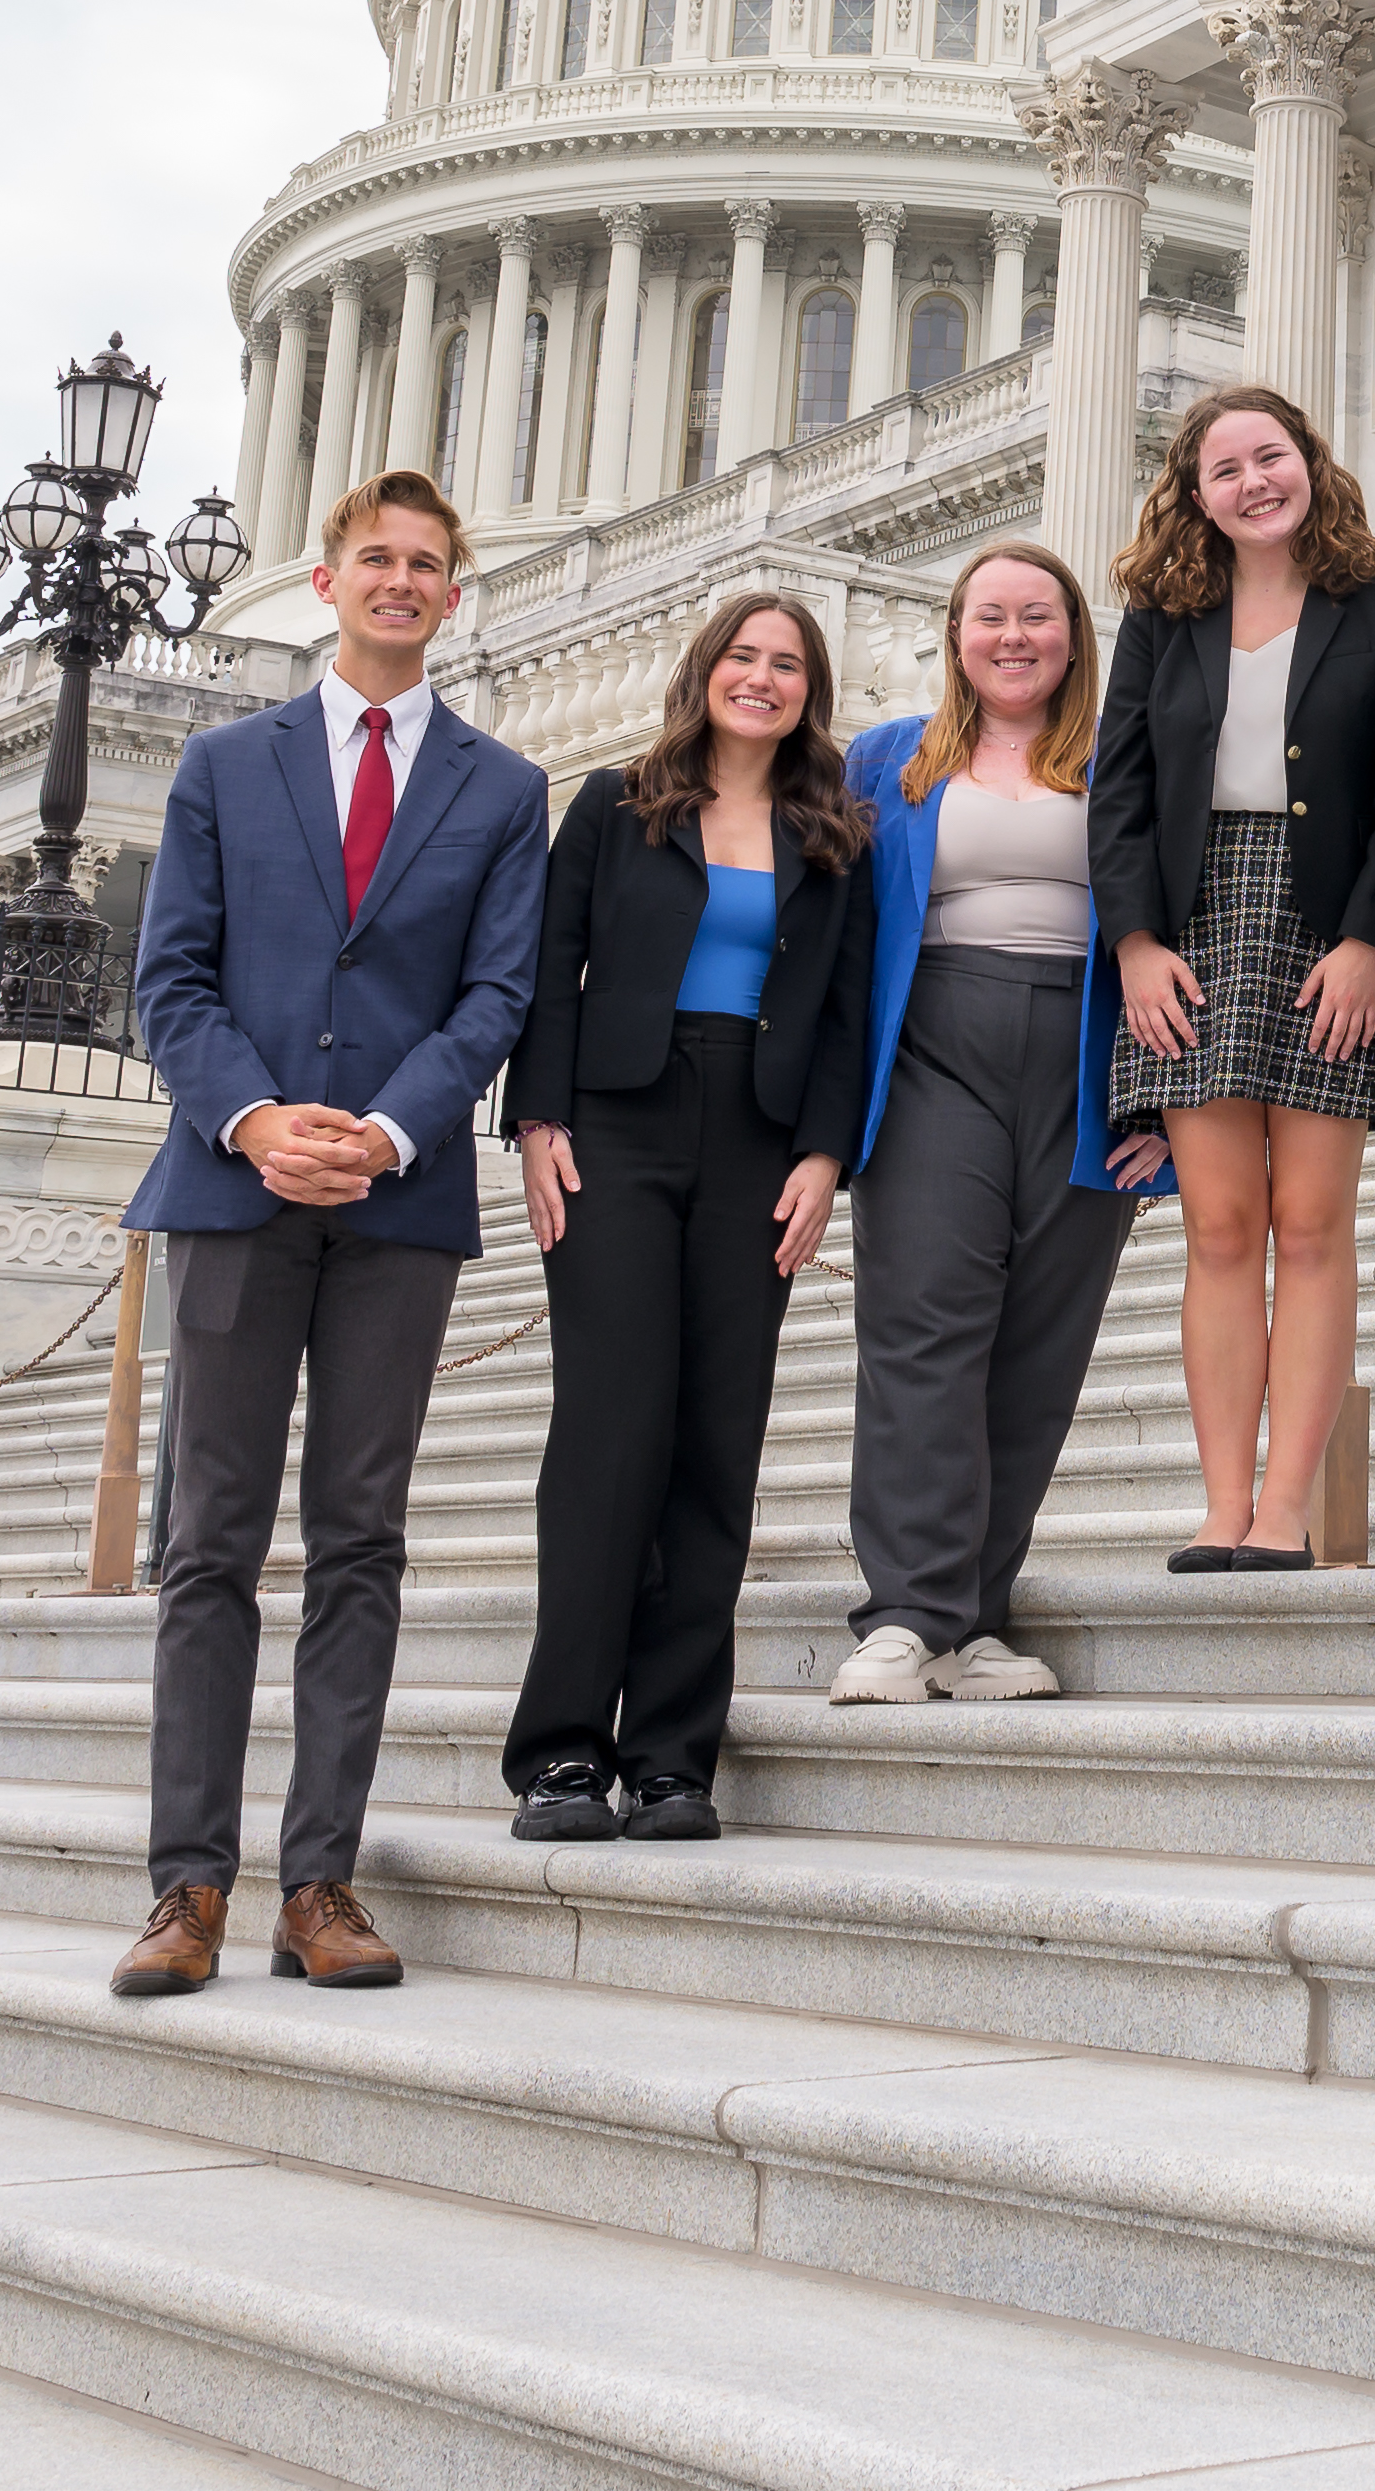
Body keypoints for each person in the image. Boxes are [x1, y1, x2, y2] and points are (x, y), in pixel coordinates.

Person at [112, 469, 547, 1995]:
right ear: (326, 577)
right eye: (380, 558)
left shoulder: (502, 790)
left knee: (360, 1542)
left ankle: (321, 1886)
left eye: (429, 563)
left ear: (452, 590)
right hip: (233, 1191)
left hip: (399, 1201)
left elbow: (497, 996)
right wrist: (256, 1120)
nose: (403, 582)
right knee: (206, 1547)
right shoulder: (228, 766)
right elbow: (173, 979)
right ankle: (185, 1892)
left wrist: (386, 1131)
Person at [499, 588, 871, 1841]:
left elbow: (845, 1014)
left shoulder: (836, 833)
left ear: (811, 692)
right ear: (704, 668)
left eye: (787, 664)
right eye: (743, 656)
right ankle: (561, 1752)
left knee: (718, 1444)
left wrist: (826, 1153)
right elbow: (551, 965)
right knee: (610, 1437)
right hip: (617, 1127)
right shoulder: (615, 804)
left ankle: (671, 1757)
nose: (761, 678)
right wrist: (538, 1120)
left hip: (759, 1139)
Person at [831, 542, 1166, 1703]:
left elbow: (1181, 919)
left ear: (1074, 633)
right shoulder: (885, 760)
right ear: (956, 634)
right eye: (991, 617)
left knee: (1040, 1348)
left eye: (1038, 615)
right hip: (932, 1052)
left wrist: (1165, 1101)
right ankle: (903, 1613)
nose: (1014, 636)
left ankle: (977, 1620)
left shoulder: (1124, 758)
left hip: (1081, 1057)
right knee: (925, 1325)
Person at [1093, 386, 1375, 1570]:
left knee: (1311, 1221)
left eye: (1268, 456)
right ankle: (1223, 1505)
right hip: (1191, 927)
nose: (1251, 482)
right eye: (1222, 469)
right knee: (1222, 1227)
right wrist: (1134, 943)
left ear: (1309, 462)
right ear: (1195, 495)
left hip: (1327, 921)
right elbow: (1119, 791)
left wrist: (1366, 937)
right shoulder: (1157, 619)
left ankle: (1288, 1510)